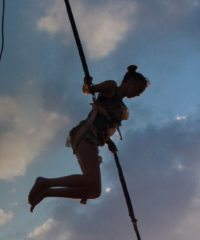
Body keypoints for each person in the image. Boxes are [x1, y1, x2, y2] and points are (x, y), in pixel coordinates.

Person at [28, 65, 150, 212]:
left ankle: (47, 192)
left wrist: (108, 141)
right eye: (137, 90)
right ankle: (44, 183)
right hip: (86, 133)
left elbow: (103, 123)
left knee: (94, 192)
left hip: (93, 138)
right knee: (91, 179)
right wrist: (87, 83)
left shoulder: (121, 106)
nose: (137, 95)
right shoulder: (112, 87)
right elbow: (88, 90)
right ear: (130, 82)